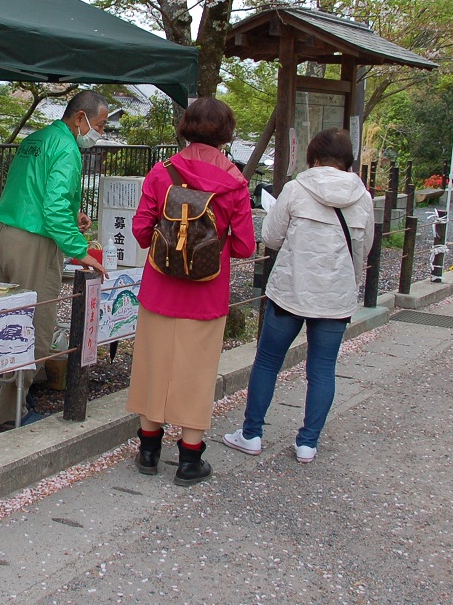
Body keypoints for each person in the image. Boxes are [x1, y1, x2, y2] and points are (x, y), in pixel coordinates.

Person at [223, 128, 373, 464]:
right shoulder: (362, 197)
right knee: (322, 369)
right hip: (335, 298)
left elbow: (271, 237)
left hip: (291, 292)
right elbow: (364, 248)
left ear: (314, 158)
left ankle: (251, 434)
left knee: (268, 362)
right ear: (347, 160)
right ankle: (308, 443)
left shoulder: (296, 188)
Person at [126, 98, 255, 486]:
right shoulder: (235, 181)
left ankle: (148, 449)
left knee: (153, 363)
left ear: (185, 126)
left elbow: (141, 231)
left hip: (160, 285)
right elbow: (247, 246)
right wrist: (212, 249)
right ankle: (189, 458)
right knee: (196, 372)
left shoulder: (162, 172)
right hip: (206, 291)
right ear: (226, 132)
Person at [0, 91, 109, 425]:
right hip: (34, 240)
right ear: (80, 119)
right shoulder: (68, 149)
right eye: (100, 125)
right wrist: (81, 250)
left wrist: (75, 215)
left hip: (5, 231)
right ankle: (12, 411)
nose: (101, 132)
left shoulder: (36, 139)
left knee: (0, 316)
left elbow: (35, 191)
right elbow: (54, 207)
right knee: (33, 324)